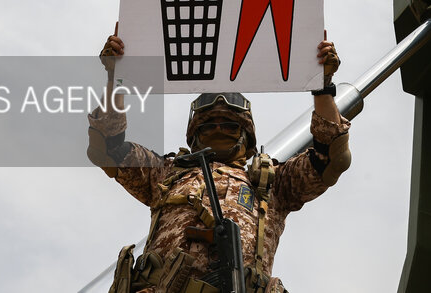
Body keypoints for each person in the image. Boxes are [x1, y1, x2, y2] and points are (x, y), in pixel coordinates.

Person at [88, 31, 350, 293]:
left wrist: (323, 85)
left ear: (245, 136)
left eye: (228, 126)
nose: (218, 130)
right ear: (195, 135)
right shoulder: (165, 174)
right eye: (209, 126)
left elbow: (328, 158)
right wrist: (116, 77)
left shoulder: (272, 185)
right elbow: (109, 147)